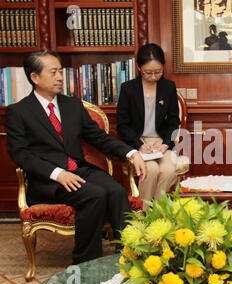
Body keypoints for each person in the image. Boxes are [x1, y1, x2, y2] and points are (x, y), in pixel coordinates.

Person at [5, 50, 147, 265]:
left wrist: (131, 152)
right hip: (48, 179)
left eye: (61, 71)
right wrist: (57, 174)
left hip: (79, 169)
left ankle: (126, 256)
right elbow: (21, 154)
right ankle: (85, 264)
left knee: (117, 191)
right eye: (53, 72)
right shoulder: (19, 111)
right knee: (94, 195)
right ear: (35, 77)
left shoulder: (72, 105)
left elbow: (98, 138)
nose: (60, 77)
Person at [116, 43, 180, 205]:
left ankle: (159, 214)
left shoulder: (168, 87)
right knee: (150, 170)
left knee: (168, 170)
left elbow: (173, 121)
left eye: (158, 72)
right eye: (148, 72)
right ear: (139, 68)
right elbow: (122, 124)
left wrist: (166, 144)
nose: (153, 77)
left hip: (160, 142)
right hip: (138, 141)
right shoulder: (128, 89)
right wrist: (138, 144)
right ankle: (143, 215)